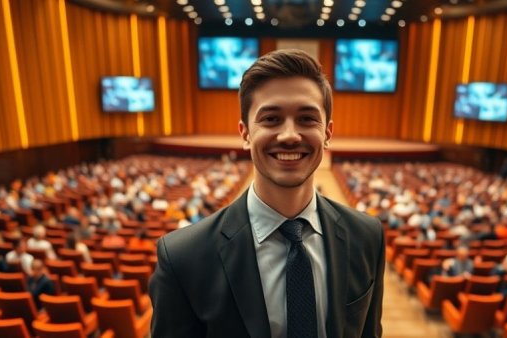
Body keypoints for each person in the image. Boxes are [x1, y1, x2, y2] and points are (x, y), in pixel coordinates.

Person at [149, 49, 385, 338]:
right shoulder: (183, 256)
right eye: (271, 119)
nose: (289, 135)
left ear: (328, 133)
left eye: (307, 119)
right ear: (245, 133)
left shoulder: (367, 236)